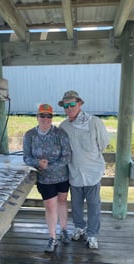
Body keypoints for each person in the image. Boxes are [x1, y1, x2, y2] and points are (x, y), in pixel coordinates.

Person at [59, 91, 110, 250]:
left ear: (79, 104)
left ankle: (92, 234)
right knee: (76, 205)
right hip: (74, 174)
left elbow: (103, 144)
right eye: (66, 106)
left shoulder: (94, 122)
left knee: (94, 204)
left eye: (72, 104)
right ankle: (79, 227)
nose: (69, 108)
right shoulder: (63, 126)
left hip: (92, 173)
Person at [23, 104, 72, 253]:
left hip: (62, 176)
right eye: (42, 116)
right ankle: (52, 237)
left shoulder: (60, 133)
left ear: (52, 118)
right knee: (50, 206)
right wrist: (36, 163)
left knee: (62, 202)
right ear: (37, 117)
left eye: (48, 116)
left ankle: (64, 229)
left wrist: (49, 166)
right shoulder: (30, 135)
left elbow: (67, 156)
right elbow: (26, 157)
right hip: (44, 179)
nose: (45, 119)